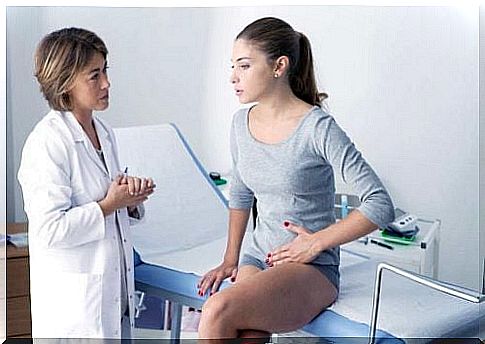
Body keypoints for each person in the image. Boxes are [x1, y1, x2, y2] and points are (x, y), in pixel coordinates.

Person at [197, 17, 394, 340]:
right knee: (244, 333)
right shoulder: (239, 123)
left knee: (217, 309)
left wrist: (315, 242)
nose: (233, 77)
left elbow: (380, 204)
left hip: (311, 268)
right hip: (257, 257)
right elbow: (242, 193)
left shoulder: (317, 128)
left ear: (279, 66)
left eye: (244, 66)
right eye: (232, 66)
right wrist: (230, 259)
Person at [17, 28, 155, 339]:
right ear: (65, 82)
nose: (107, 83)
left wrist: (130, 200)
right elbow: (49, 230)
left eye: (106, 70)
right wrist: (109, 204)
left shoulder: (103, 132)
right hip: (74, 311)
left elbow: (109, 203)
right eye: (95, 75)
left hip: (112, 295)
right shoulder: (47, 143)